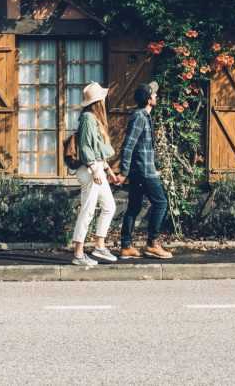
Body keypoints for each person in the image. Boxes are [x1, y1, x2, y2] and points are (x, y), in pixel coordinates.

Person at [117, 82, 172, 260]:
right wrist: (124, 172)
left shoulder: (143, 116)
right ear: (149, 99)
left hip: (144, 169)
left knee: (134, 206)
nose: (156, 96)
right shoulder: (140, 117)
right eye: (154, 94)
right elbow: (128, 146)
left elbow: (143, 148)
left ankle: (126, 247)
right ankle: (152, 244)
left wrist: (154, 168)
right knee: (161, 203)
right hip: (142, 171)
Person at [69, 82, 120, 266]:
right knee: (88, 210)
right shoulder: (88, 119)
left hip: (97, 169)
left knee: (109, 207)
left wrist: (108, 169)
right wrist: (94, 168)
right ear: (98, 101)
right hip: (90, 171)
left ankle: (99, 245)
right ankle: (78, 253)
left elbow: (96, 148)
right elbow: (85, 148)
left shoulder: (93, 119)